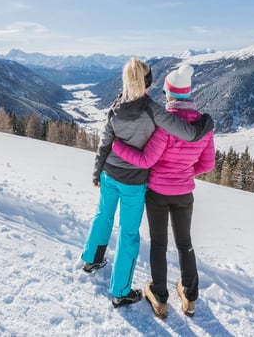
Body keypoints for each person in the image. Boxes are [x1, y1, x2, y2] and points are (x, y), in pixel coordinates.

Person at [81, 58, 213, 309]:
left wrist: (97, 171)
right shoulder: (154, 111)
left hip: (110, 174)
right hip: (133, 182)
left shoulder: (116, 106)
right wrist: (206, 125)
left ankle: (91, 259)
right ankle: (120, 291)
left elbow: (105, 141)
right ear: (148, 82)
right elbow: (187, 133)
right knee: (129, 234)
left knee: (103, 216)